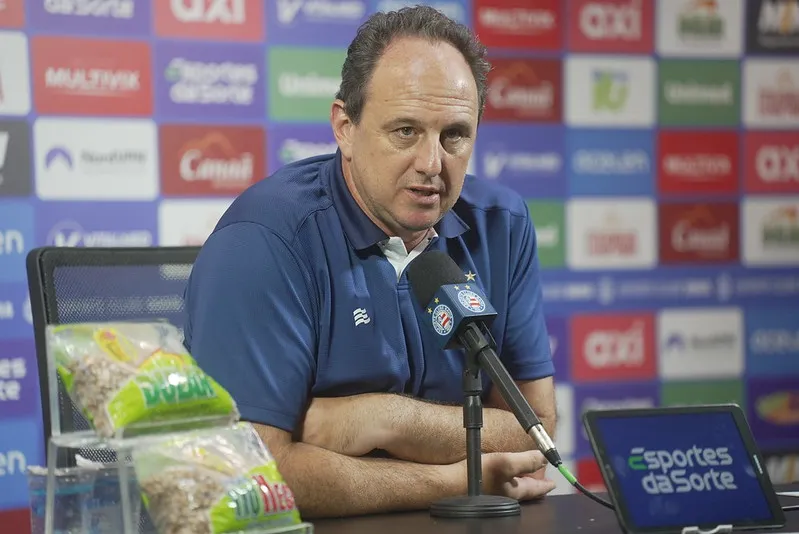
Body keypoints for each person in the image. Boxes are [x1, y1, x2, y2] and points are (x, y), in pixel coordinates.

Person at [183, 5, 558, 519]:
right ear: (344, 126)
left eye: (455, 135)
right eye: (405, 131)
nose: (432, 164)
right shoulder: (265, 240)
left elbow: (534, 428)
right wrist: (451, 479)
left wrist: (382, 419)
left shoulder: (502, 224)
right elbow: (250, 473)